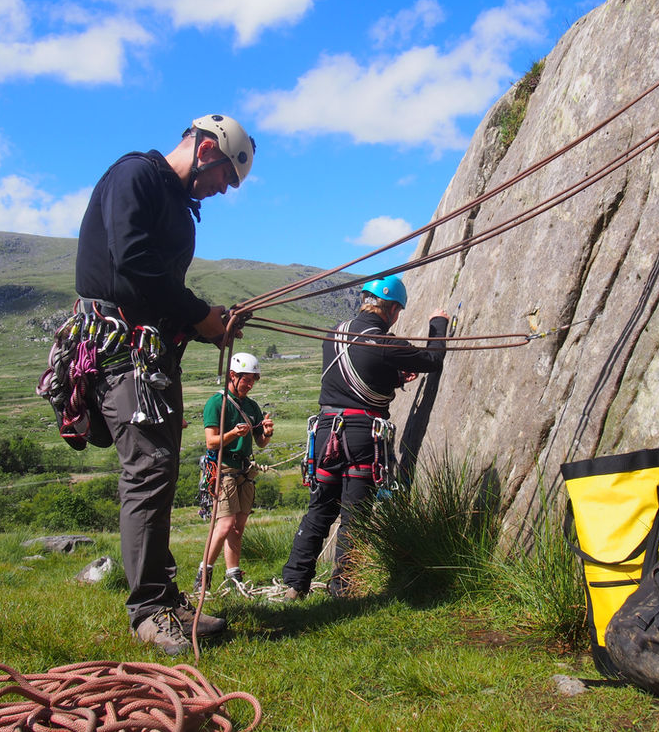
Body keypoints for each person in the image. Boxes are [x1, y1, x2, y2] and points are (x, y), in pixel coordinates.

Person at [74, 114, 256, 655]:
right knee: (148, 471)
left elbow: (157, 293)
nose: (224, 188)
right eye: (226, 175)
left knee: (159, 472)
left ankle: (166, 598)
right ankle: (149, 612)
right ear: (205, 151)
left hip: (148, 355)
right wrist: (200, 313)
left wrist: (206, 325)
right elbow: (130, 262)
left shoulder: (176, 205)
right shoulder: (137, 176)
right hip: (122, 352)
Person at [281, 275, 449, 598]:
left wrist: (394, 374)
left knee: (320, 509)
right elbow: (433, 361)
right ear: (392, 310)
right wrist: (438, 326)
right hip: (362, 436)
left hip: (327, 432)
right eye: (397, 311)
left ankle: (294, 584)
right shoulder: (387, 344)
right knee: (354, 515)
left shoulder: (333, 336)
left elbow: (360, 374)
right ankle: (343, 587)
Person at [193, 352, 274, 596]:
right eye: (246, 379)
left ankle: (233, 575)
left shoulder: (252, 406)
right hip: (224, 468)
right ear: (232, 376)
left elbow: (260, 442)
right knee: (225, 523)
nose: (250, 385)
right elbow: (211, 442)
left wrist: (267, 432)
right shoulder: (216, 404)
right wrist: (233, 435)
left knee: (238, 526)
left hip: (244, 470)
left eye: (253, 380)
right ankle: (204, 572)